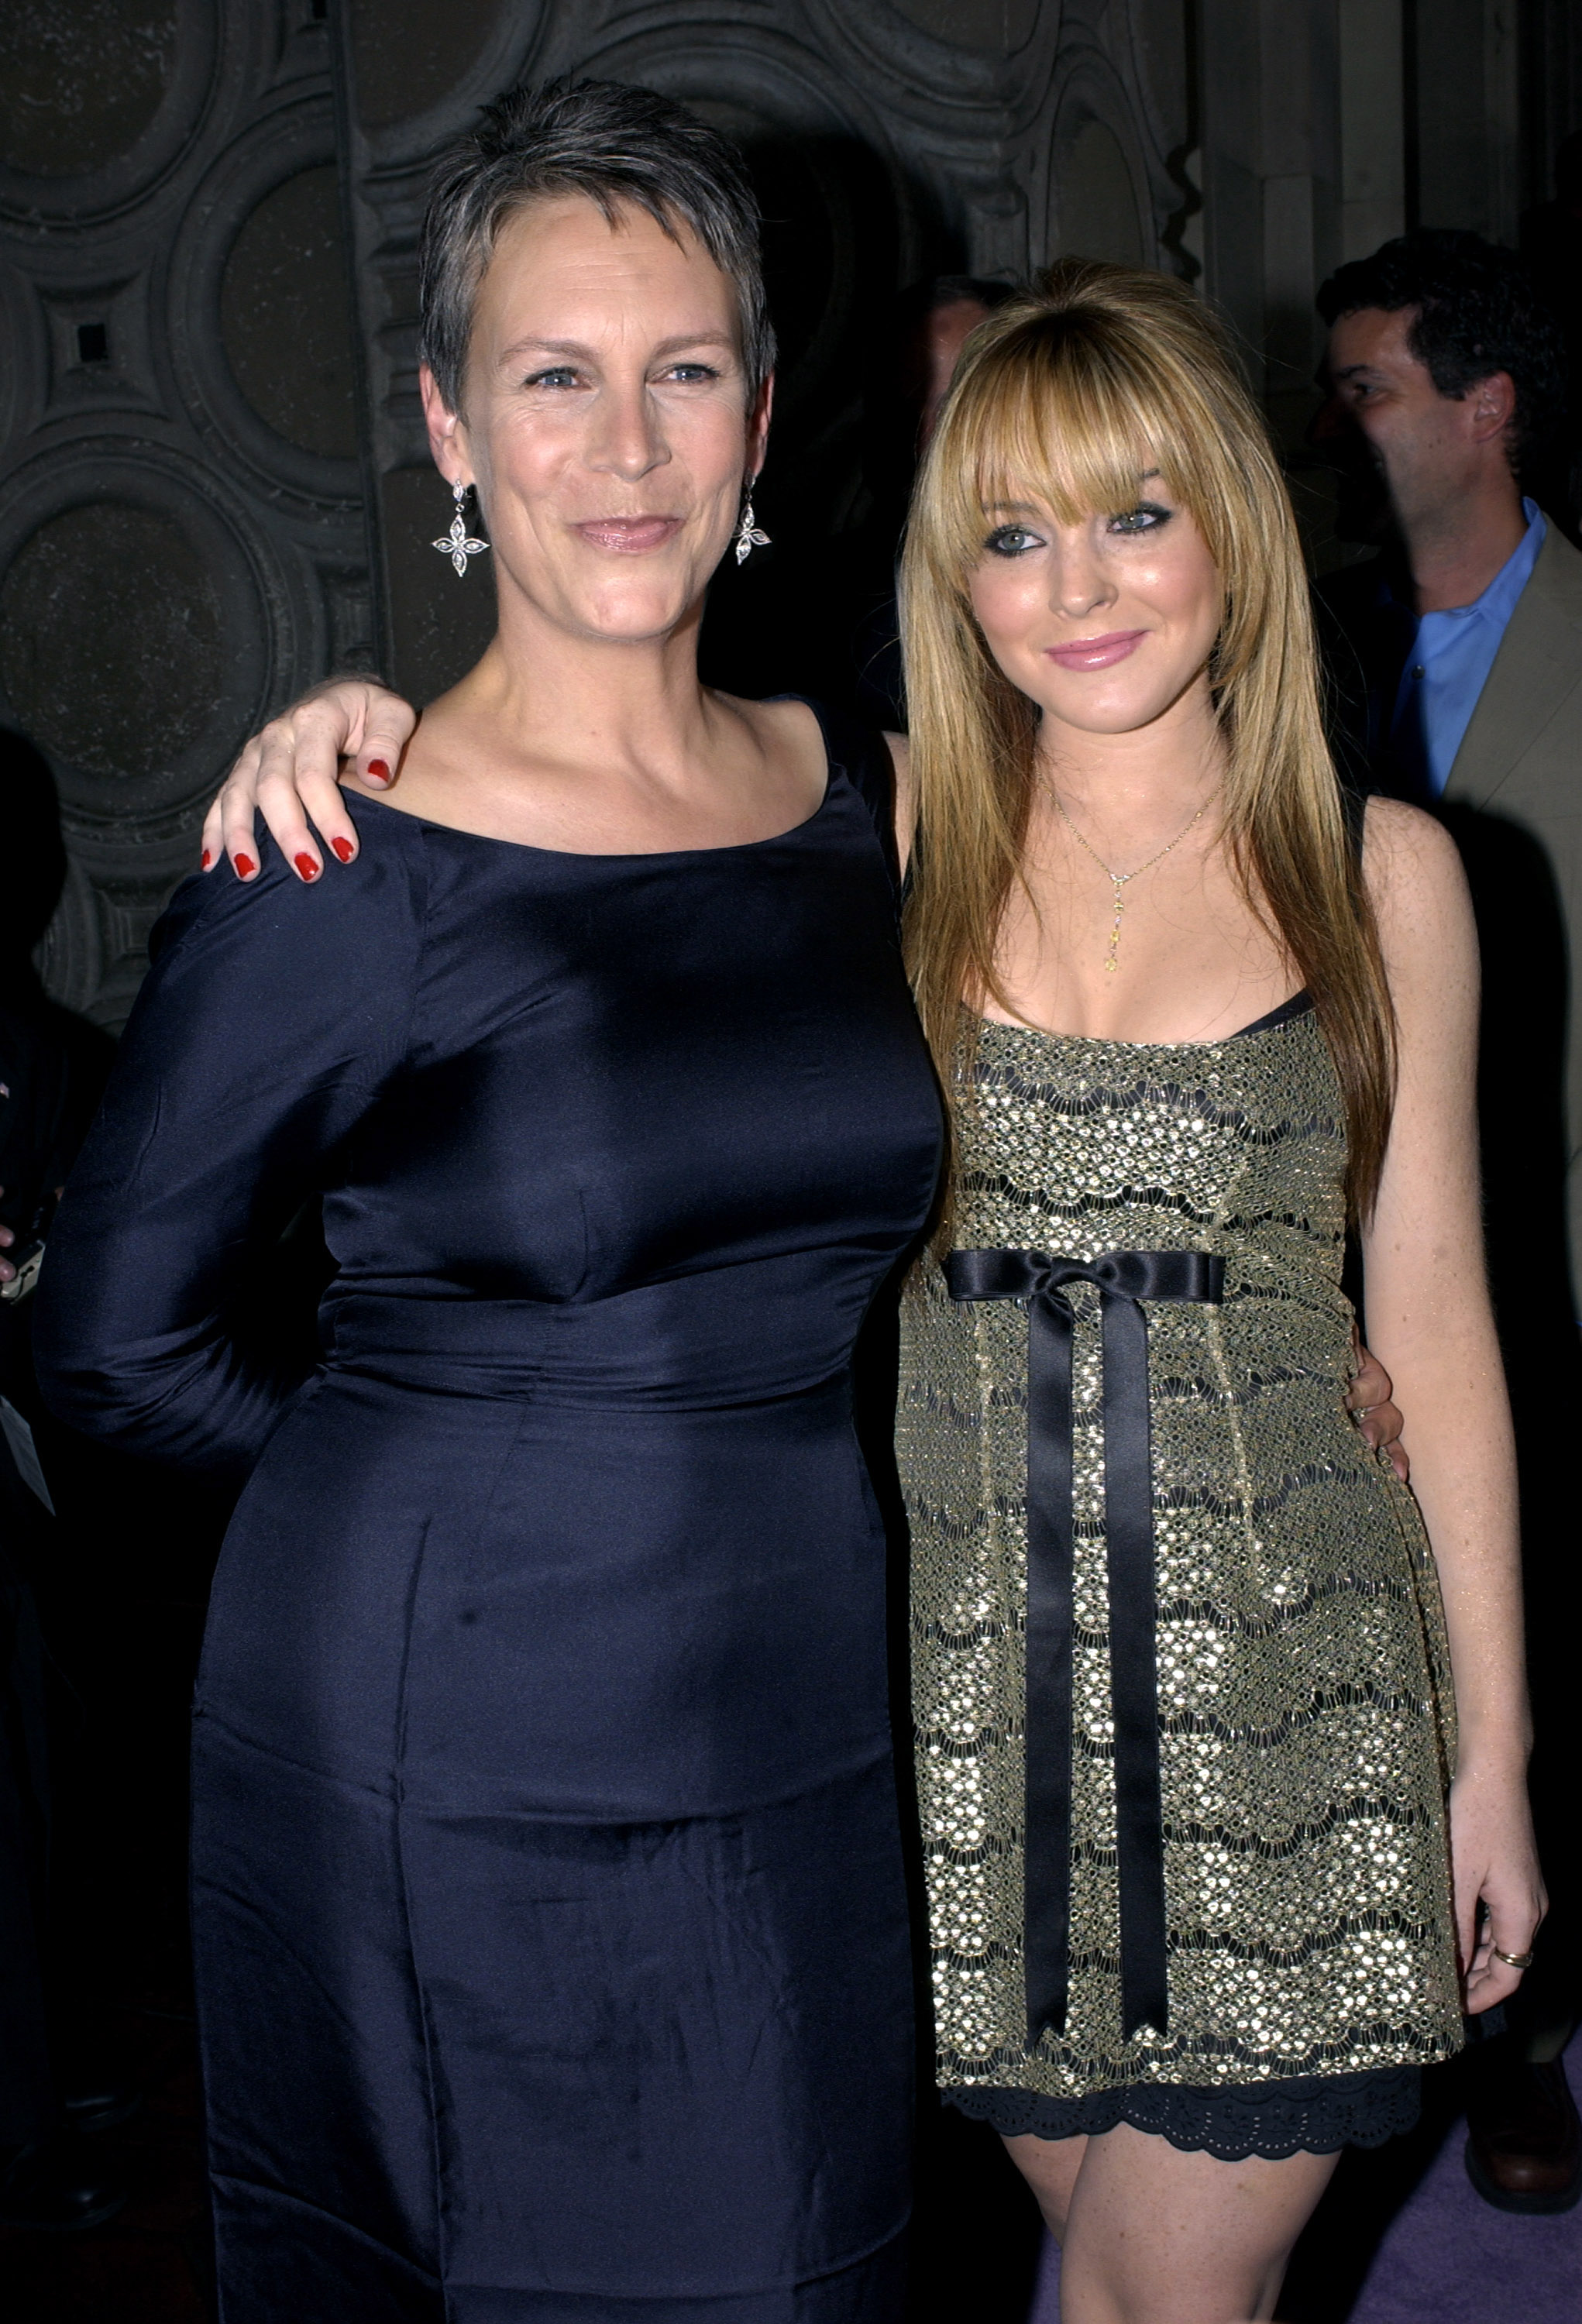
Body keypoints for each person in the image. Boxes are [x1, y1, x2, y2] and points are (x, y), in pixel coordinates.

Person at [35, 79, 946, 2322]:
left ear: (756, 418)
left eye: (683, 371)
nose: (623, 447)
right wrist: (445, 1495)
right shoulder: (348, 853)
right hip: (448, 1755)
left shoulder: (880, 804)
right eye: (554, 377)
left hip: (811, 1721)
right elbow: (108, 1342)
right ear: (451, 428)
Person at [889, 260, 1541, 2323]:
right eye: (1013, 530)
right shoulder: (881, 842)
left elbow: (1433, 1318)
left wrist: (1494, 1752)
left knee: (1140, 2302)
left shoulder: (1381, 878)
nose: (1076, 582)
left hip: (1287, 1689)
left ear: (1234, 531)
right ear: (957, 577)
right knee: (1094, 2264)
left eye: (1135, 510)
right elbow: (595, 776)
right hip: (970, 1698)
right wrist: (358, 722)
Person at [1314, 229, 1582, 2216]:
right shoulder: (1281, 639)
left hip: (1550, 1272)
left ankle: (1520, 2042)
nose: (1342, 419)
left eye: (1372, 385)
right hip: (1321, 1272)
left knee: (1536, 1655)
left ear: (1486, 408)